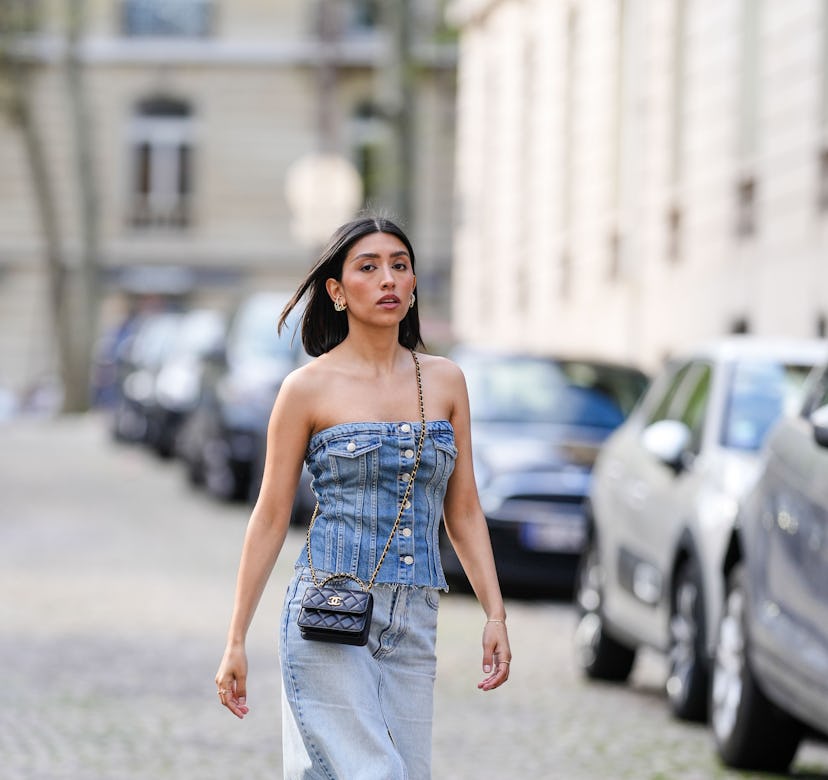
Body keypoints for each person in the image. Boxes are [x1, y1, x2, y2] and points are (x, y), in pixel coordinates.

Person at [215, 215, 511, 779]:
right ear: (337, 291)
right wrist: (236, 639)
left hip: (416, 616)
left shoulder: (445, 380)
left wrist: (494, 613)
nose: (388, 280)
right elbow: (272, 515)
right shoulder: (306, 388)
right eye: (368, 267)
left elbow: (465, 508)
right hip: (329, 613)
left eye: (400, 266)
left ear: (415, 283)